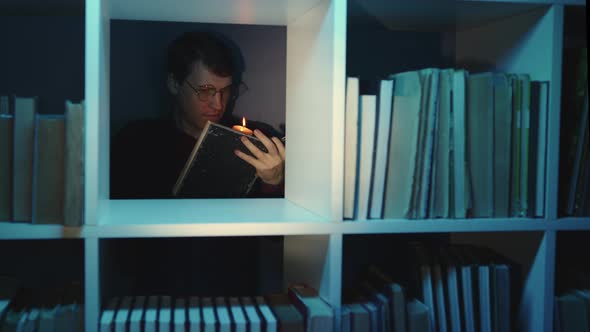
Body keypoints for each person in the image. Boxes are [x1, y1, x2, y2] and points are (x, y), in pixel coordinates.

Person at [110, 31, 286, 199]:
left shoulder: (260, 140)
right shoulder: (136, 141)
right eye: (205, 91)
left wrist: (274, 182)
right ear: (174, 84)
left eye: (225, 91)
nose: (218, 104)